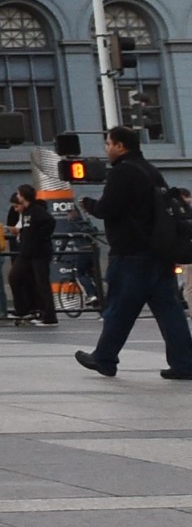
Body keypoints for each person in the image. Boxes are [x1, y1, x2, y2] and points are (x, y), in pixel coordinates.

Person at [76, 126, 192, 378]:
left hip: (130, 253)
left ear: (120, 145)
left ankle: (104, 358)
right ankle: (185, 364)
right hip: (159, 251)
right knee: (169, 309)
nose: (106, 149)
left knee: (119, 308)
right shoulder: (151, 171)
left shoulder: (123, 172)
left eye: (108, 144)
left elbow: (109, 208)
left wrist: (89, 204)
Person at [5, 186, 56, 325]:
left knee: (42, 283)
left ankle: (50, 316)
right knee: (14, 276)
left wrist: (38, 238)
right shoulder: (26, 211)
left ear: (22, 196)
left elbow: (50, 222)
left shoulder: (36, 210)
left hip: (39, 252)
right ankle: (22, 309)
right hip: (27, 252)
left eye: (18, 194)